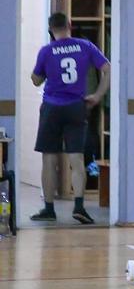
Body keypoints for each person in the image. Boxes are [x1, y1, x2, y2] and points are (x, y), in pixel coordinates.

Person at [29, 12, 110, 225]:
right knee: (77, 158)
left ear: (50, 29)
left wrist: (42, 73)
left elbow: (36, 80)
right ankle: (79, 207)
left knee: (49, 158)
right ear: (70, 25)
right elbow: (107, 69)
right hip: (76, 107)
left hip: (52, 108)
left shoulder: (46, 51)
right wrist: (98, 95)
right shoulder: (85, 46)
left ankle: (49, 209)